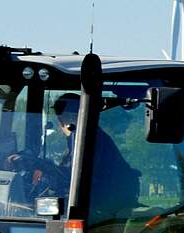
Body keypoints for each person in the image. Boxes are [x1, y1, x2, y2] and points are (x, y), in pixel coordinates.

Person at [15, 93, 140, 222]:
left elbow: (73, 177)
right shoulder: (89, 139)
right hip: (100, 203)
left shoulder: (88, 140)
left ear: (66, 119)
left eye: (61, 119)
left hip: (101, 209)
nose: (60, 125)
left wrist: (39, 165)